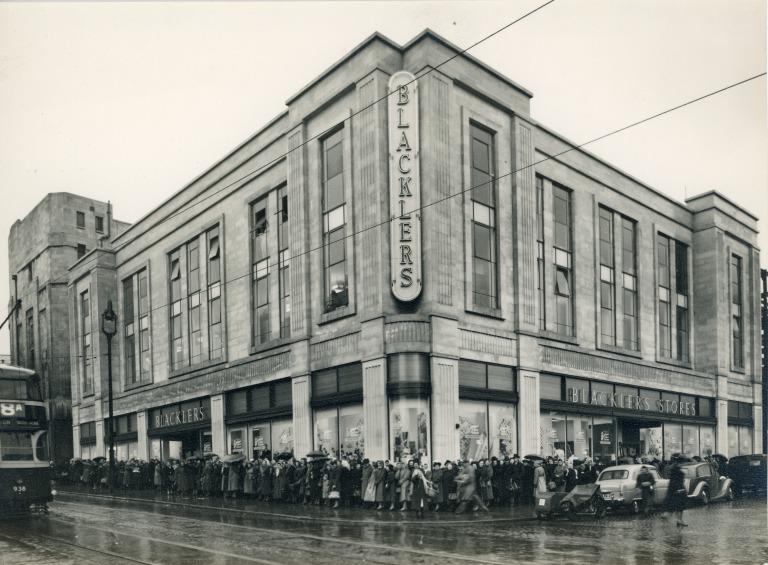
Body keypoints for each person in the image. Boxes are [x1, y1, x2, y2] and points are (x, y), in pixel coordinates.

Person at [663, 457, 688, 527]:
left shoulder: (675, 469)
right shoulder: (676, 470)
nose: (683, 465)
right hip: (677, 490)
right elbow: (675, 481)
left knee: (679, 506)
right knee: (677, 506)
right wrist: (679, 489)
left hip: (676, 490)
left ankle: (679, 520)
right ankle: (674, 518)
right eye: (682, 463)